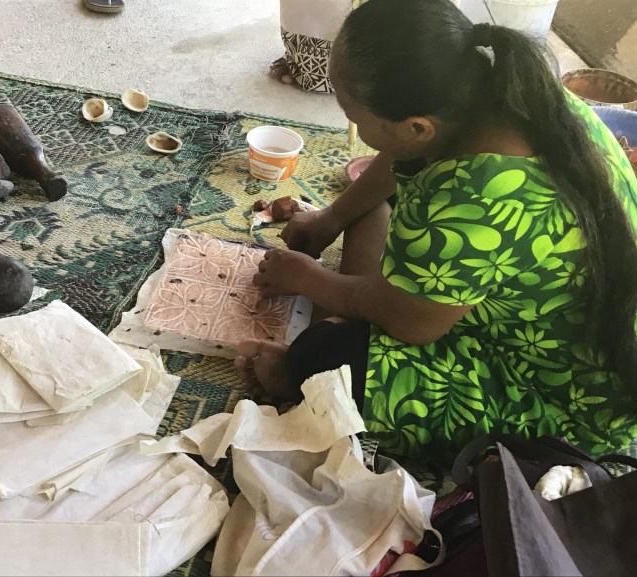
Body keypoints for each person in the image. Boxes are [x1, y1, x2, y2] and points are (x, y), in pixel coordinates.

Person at [237, 0, 637, 459]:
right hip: (529, 318)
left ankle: (331, 338)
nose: (355, 127)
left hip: (560, 401)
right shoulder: (517, 96)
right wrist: (332, 219)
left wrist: (309, 278)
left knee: (323, 361)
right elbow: (401, 157)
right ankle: (360, 305)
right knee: (369, 201)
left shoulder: (474, 197)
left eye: (358, 119)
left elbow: (410, 325)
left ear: (417, 127)